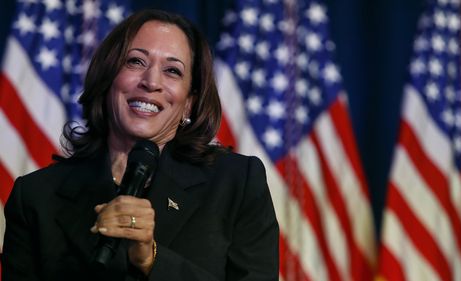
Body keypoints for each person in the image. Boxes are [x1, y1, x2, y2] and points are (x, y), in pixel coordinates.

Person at [1, 9, 279, 281]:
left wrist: (151, 259)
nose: (151, 82)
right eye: (135, 62)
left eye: (172, 70)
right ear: (108, 78)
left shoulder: (236, 184)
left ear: (189, 103)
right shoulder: (36, 197)